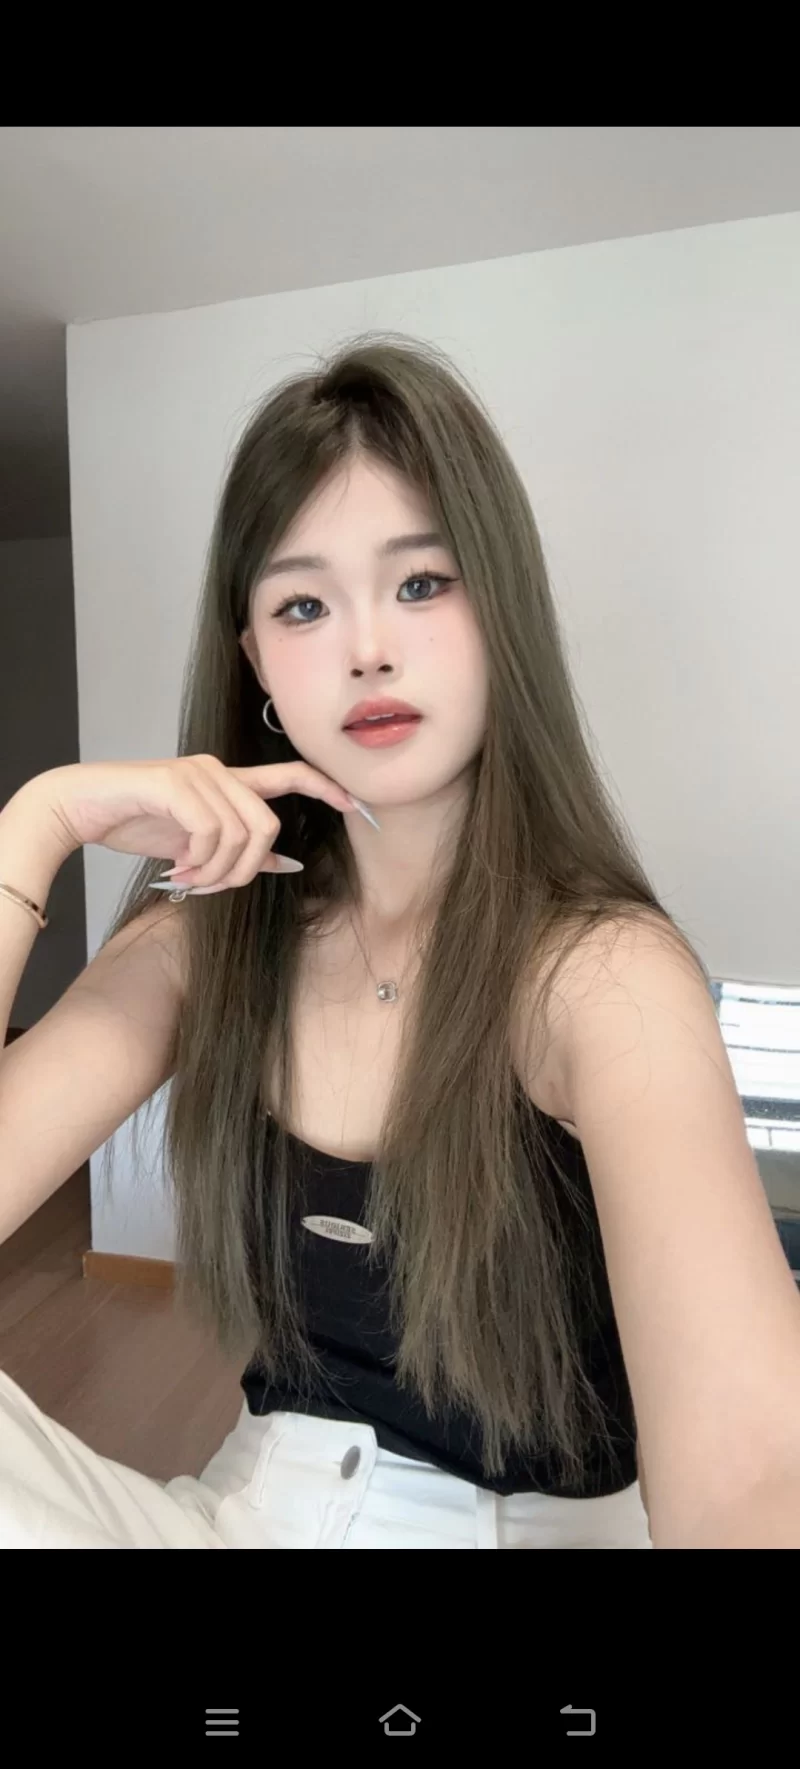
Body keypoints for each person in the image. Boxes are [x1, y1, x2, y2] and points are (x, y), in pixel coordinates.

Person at [1, 335, 799, 1551]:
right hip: (251, 1508)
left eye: (421, 582)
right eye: (303, 605)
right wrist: (40, 819)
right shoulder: (205, 946)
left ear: (501, 605)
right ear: (255, 661)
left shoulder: (598, 976)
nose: (366, 646)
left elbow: (747, 1481)